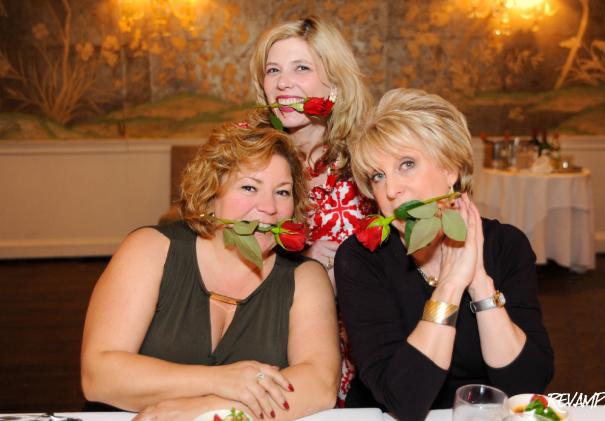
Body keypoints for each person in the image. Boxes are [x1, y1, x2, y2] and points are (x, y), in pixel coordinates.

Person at [81, 125, 340, 421]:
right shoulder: (150, 250)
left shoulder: (305, 278)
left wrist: (215, 408)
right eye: (249, 187)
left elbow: (320, 385)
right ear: (212, 193)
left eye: (282, 192)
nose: (269, 207)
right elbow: (99, 375)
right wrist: (220, 381)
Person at [335, 88, 554, 421]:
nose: (391, 191)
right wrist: (450, 287)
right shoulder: (362, 258)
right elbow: (404, 401)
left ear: (450, 169)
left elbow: (527, 385)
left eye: (406, 164)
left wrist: (479, 281)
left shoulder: (506, 246)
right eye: (377, 176)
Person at [249, 16, 374, 405]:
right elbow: (218, 247)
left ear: (334, 83)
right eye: (273, 71)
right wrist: (302, 264)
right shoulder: (251, 155)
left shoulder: (368, 159)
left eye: (301, 68)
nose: (283, 82)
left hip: (362, 347)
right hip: (263, 334)